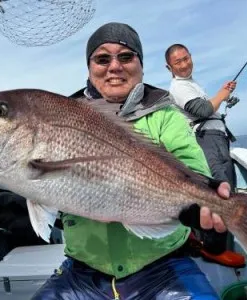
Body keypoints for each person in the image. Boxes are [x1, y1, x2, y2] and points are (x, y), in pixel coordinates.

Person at [31, 22, 231, 300]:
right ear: (89, 68)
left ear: (141, 65)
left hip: (164, 264)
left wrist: (207, 198)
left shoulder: (165, 114)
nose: (114, 66)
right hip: (82, 270)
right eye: (102, 59)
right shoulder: (63, 118)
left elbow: (193, 170)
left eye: (126, 57)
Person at [165, 44, 237, 191]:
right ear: (169, 67)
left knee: (229, 182)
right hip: (207, 140)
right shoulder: (178, 87)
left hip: (217, 139)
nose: (184, 64)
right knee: (222, 185)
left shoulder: (191, 84)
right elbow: (203, 110)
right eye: (178, 62)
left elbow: (209, 105)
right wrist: (222, 94)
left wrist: (223, 95)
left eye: (186, 58)